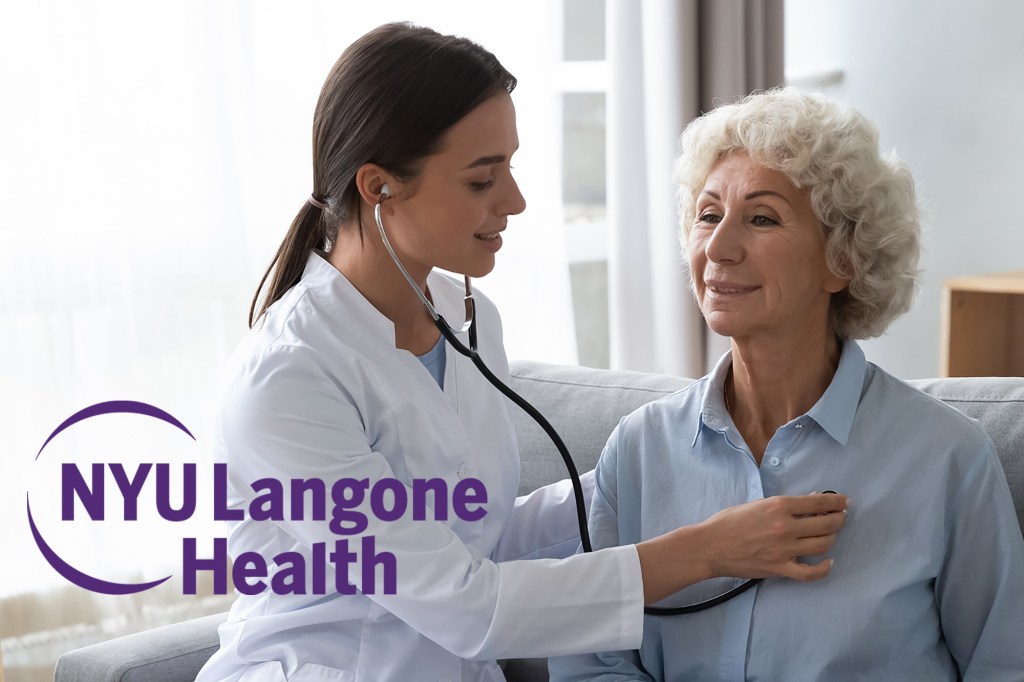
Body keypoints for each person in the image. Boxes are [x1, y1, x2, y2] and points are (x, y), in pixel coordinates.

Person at [195, 28, 849, 682]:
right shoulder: (288, 378)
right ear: (379, 187)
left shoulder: (466, 319)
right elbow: (465, 603)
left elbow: (483, 537)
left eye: (509, 166)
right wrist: (705, 552)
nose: (515, 201)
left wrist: (655, 466)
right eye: (483, 178)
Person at [549, 87, 1024, 681]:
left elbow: (1004, 666)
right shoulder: (639, 447)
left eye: (762, 218)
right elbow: (591, 662)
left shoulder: (948, 458)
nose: (718, 247)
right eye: (707, 214)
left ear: (843, 259)